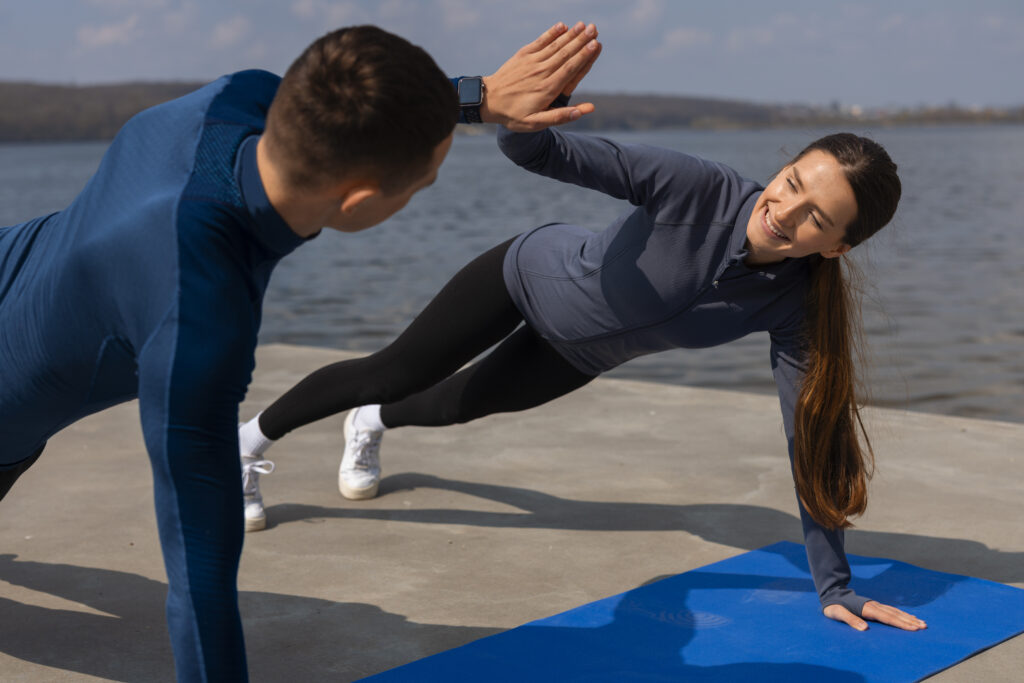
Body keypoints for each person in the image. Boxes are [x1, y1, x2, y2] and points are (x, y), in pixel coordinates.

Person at [0, 22, 601, 681]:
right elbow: (197, 575)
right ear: (361, 200)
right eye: (420, 186)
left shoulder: (236, 98)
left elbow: (340, 100)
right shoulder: (198, 309)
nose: (417, 194)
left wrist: (475, 97)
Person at [238, 98, 929, 634]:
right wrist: (522, 112)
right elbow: (538, 150)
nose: (785, 211)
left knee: (456, 404)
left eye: (815, 217)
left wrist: (834, 586)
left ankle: (371, 424)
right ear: (782, 166)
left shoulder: (794, 306)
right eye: (790, 182)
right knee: (394, 368)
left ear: (836, 247)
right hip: (523, 275)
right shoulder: (698, 188)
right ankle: (248, 442)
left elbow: (810, 439)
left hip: (578, 354)